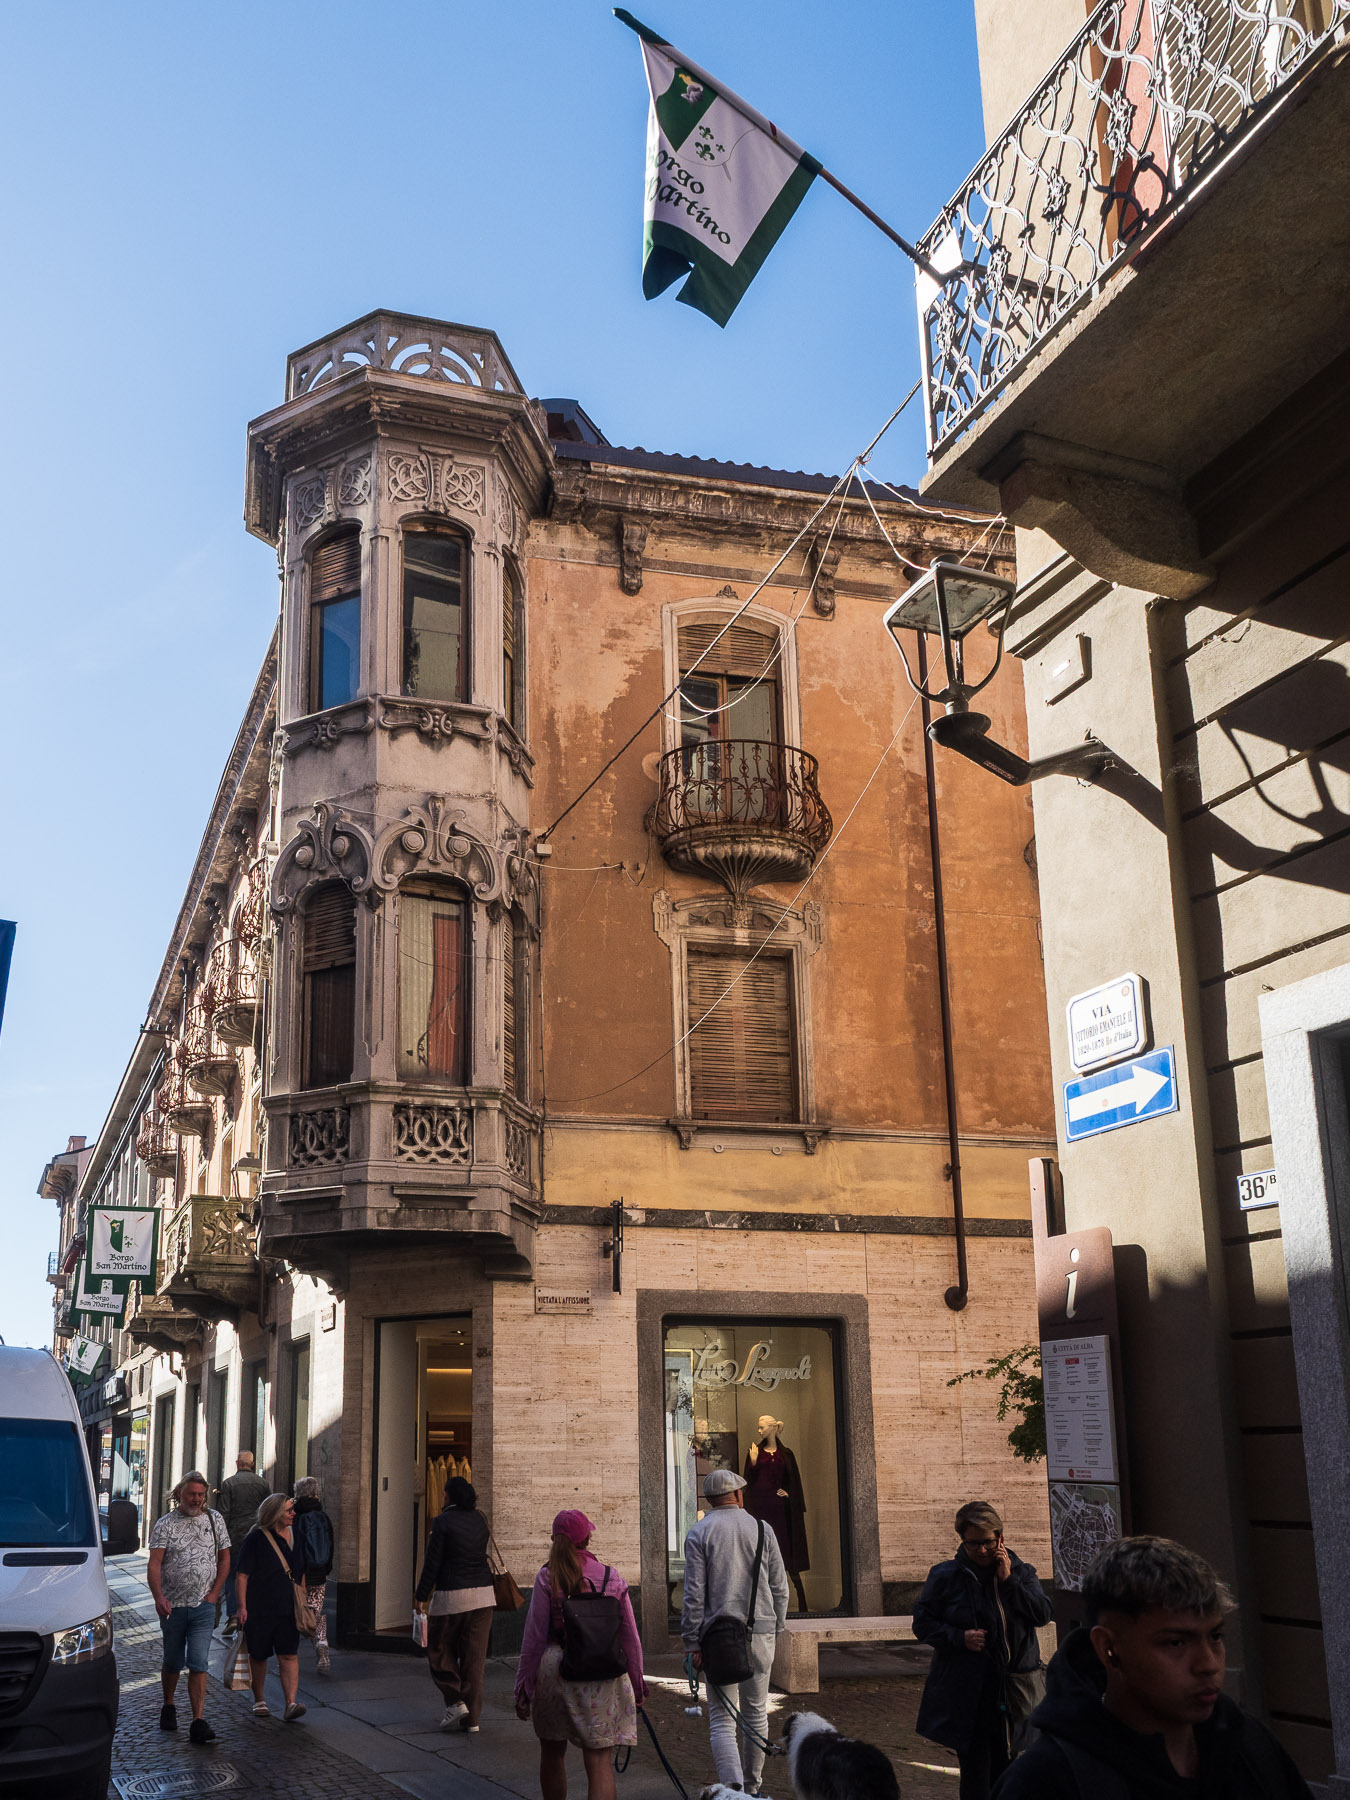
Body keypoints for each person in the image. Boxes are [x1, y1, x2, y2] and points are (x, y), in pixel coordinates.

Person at [993, 1536, 1313, 1799]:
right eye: (1176, 1643)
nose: (1208, 1664)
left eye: (1215, 1637)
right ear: (1108, 1648)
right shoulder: (1045, 1783)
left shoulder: (1249, 1746)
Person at [914, 1500, 1052, 1800]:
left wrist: (1009, 1581)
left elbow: (1041, 1614)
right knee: (975, 1772)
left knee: (1009, 1767)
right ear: (962, 1541)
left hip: (1013, 1688)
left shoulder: (1021, 1572)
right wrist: (958, 1637)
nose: (982, 1550)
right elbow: (923, 1624)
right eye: (973, 1543)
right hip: (968, 1691)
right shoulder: (945, 1576)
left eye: (988, 1542)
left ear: (1000, 1539)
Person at [515, 1508, 645, 1800]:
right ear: (587, 1538)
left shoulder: (548, 1576)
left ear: (554, 1539)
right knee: (599, 1762)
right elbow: (630, 1638)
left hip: (556, 1669)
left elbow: (533, 1638)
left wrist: (523, 1687)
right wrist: (637, 1684)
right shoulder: (611, 1576)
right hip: (603, 1673)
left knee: (552, 1752)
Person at [682, 1467, 789, 1799]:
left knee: (722, 1718)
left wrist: (691, 1641)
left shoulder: (699, 1532)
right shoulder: (762, 1529)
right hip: (761, 1631)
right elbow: (779, 1585)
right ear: (739, 1495)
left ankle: (733, 1791)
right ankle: (753, 1789)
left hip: (718, 1638)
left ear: (710, 1500)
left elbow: (693, 1595)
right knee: (756, 1711)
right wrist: (777, 1625)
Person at [146, 1469, 231, 1746]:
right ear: (179, 1494)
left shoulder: (214, 1519)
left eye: (200, 1494)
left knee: (198, 1661)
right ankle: (169, 1704)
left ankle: (198, 1720)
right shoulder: (165, 1524)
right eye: (192, 1494)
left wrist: (214, 1594)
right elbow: (155, 1564)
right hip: (172, 1606)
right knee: (172, 1660)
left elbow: (225, 1558)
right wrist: (159, 1597)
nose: (196, 1499)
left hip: (203, 1605)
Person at [415, 1474, 495, 1732]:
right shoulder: (481, 1519)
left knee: (439, 1650)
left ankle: (455, 1701)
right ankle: (472, 1720)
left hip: (451, 1597)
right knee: (474, 1659)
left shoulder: (442, 1522)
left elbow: (433, 1563)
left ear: (447, 1495)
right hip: (484, 1596)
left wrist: (421, 1595)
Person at [235, 1491, 307, 1723]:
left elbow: (301, 1572)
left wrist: (303, 1601)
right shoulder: (256, 1539)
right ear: (275, 1513)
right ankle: (259, 1699)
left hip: (289, 1609)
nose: (293, 1513)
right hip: (260, 1608)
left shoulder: (297, 1536)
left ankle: (290, 1703)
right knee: (259, 1655)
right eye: (289, 1510)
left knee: (289, 1654)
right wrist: (242, 1607)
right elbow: (242, 1575)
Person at [217, 1450, 269, 1636]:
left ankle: (233, 1615)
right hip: (257, 1536)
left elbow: (224, 1513)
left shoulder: (229, 1483)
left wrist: (220, 1540)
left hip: (235, 1537)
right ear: (252, 1464)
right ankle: (251, 1614)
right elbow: (268, 1510)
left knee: (233, 1576)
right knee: (253, 1576)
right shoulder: (263, 1484)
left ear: (237, 1463)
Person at [291, 1475, 335, 1674]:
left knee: (297, 1611)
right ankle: (322, 1643)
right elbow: (331, 1546)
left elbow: (294, 1547)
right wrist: (326, 1570)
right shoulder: (323, 1516)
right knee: (315, 1611)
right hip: (319, 1573)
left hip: (300, 1574)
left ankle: (289, 1654)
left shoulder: (296, 1516)